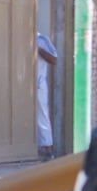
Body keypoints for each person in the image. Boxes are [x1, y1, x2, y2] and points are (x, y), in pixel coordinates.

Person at [36, 32, 59, 160]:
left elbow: (54, 59)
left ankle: (47, 149)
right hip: (21, 85)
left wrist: (38, 49)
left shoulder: (42, 39)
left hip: (38, 84)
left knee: (42, 115)